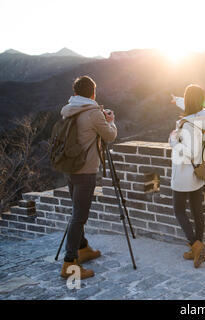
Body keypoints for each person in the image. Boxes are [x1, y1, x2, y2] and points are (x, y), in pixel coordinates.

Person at [60, 76, 117, 279]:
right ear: (93, 93)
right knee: (79, 217)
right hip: (86, 170)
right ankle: (69, 263)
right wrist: (110, 121)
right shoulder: (93, 113)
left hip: (69, 168)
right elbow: (110, 136)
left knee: (77, 211)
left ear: (75, 93)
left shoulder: (68, 110)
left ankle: (82, 248)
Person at [169, 84, 205, 268]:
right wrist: (177, 99)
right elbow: (192, 106)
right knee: (197, 210)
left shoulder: (187, 125)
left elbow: (189, 151)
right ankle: (199, 245)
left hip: (184, 173)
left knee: (178, 209)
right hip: (198, 172)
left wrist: (173, 141)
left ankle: (195, 245)